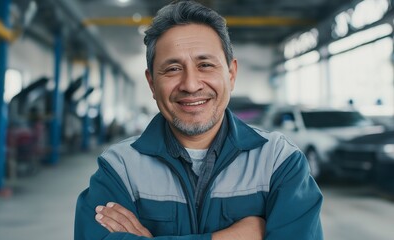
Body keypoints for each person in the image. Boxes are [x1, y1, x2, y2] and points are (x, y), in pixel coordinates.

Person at [74, 1, 323, 239]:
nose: (191, 85)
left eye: (205, 65)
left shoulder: (279, 162)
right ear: (152, 83)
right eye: (172, 69)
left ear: (231, 74)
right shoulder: (120, 168)